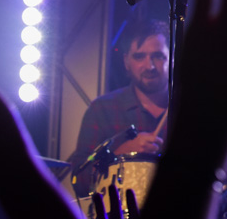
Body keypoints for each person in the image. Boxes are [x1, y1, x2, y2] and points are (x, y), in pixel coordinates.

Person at [68, 19, 171, 197]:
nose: (150, 66)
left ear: (172, 57)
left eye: (158, 56)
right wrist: (120, 154)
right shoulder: (102, 110)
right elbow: (79, 180)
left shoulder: (192, 110)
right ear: (126, 62)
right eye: (139, 56)